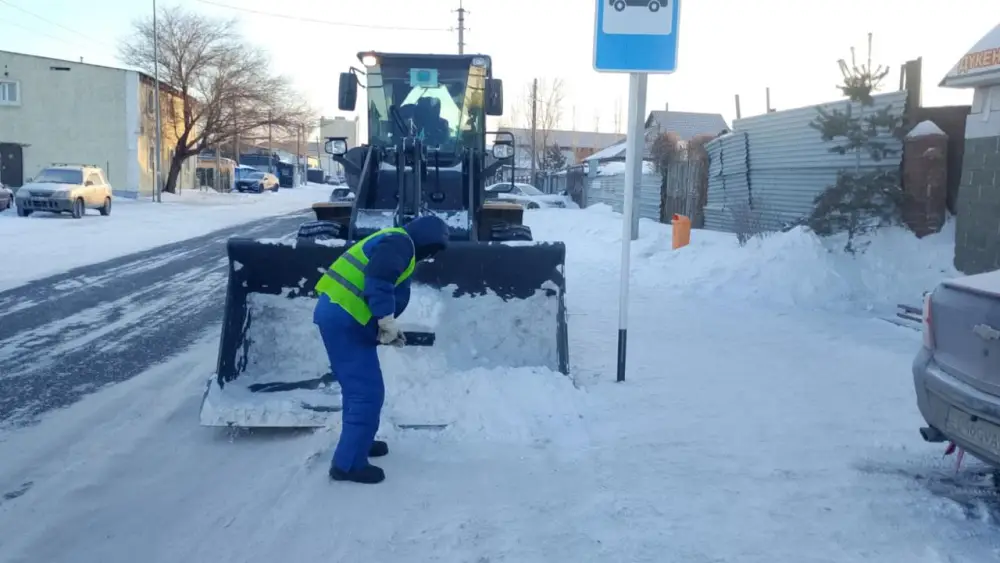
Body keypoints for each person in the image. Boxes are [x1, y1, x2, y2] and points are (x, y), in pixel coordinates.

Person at [313, 215, 450, 484]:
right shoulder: (401, 243)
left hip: (344, 318)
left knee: (360, 391)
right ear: (425, 241)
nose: (430, 256)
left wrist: (386, 330)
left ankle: (359, 443)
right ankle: (348, 464)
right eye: (432, 250)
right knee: (366, 393)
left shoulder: (395, 240)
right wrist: (386, 319)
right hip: (343, 320)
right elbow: (378, 280)